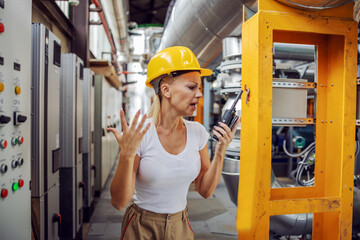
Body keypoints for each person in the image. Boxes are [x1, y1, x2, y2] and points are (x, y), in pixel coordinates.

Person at [107, 46, 239, 240]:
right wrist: (127, 155)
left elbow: (205, 190)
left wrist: (220, 150)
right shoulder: (142, 134)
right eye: (192, 87)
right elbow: (119, 202)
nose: (200, 94)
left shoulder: (198, 133)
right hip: (141, 227)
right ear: (166, 90)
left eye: (200, 88)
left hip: (180, 225)